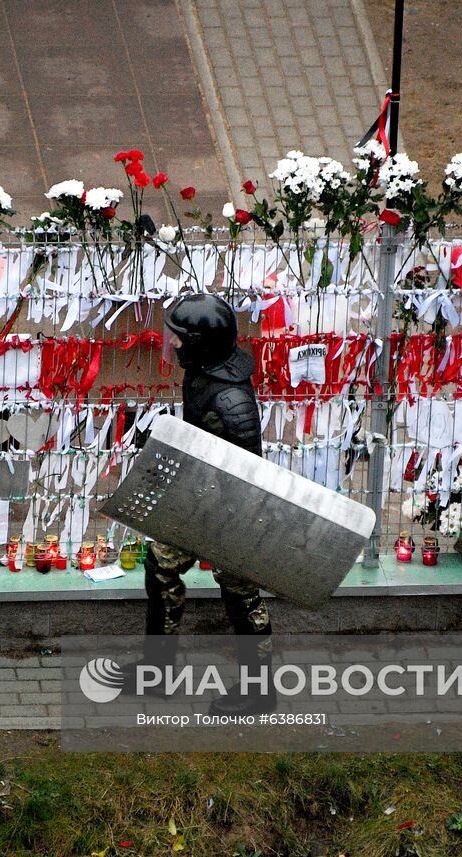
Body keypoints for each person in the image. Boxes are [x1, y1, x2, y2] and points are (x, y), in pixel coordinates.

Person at [132, 293, 275, 716]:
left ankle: (259, 691)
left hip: (234, 512)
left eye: (178, 339)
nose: (171, 345)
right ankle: (157, 675)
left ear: (201, 343)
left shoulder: (232, 402)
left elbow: (245, 471)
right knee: (160, 567)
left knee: (241, 594)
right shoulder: (202, 370)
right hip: (201, 501)